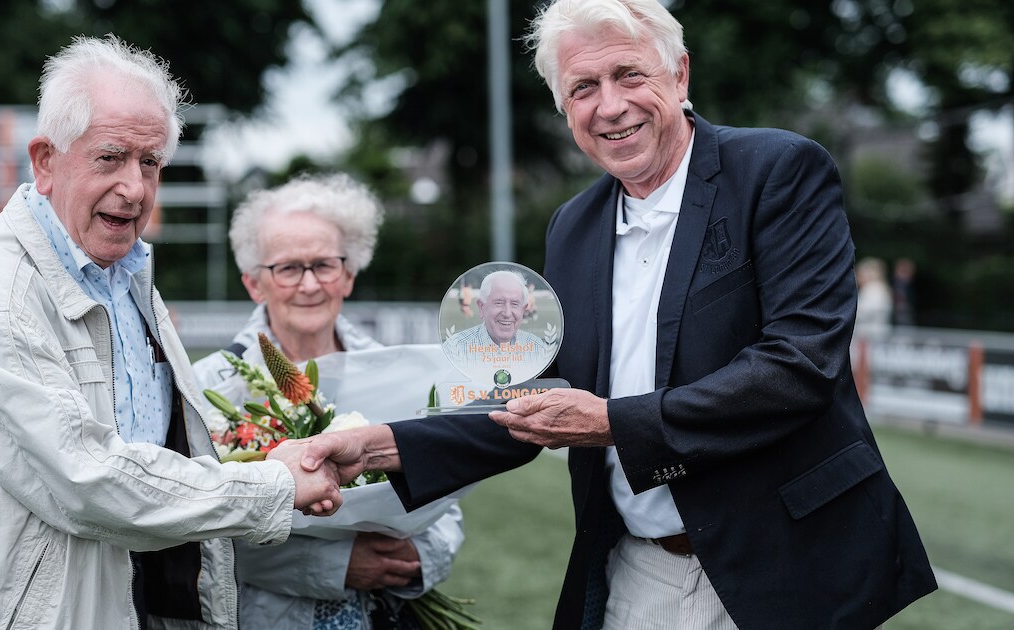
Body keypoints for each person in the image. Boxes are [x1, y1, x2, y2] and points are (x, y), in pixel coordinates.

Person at [300, 1, 937, 629]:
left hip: (785, 563)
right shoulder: (572, 227)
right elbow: (541, 397)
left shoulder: (777, 170)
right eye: (583, 88)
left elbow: (799, 366)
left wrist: (610, 422)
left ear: (679, 75)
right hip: (638, 569)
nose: (610, 105)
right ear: (564, 109)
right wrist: (382, 444)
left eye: (629, 74)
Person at [0, 35, 341, 630]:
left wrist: (263, 455)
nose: (135, 187)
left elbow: (148, 443)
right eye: (110, 157)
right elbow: (86, 479)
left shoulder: (123, 272)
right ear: (46, 161)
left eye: (150, 163)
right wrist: (271, 486)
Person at [192, 173, 466, 629]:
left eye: (324, 265)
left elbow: (445, 496)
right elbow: (203, 535)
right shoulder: (211, 388)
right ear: (254, 283)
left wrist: (417, 558)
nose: (309, 284)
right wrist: (335, 568)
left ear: (350, 275)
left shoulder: (395, 370)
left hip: (392, 612)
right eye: (287, 268)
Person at [443, 269, 551, 385]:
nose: (507, 313)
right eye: (498, 303)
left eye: (515, 304)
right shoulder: (454, 348)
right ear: (481, 307)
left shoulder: (539, 348)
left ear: (524, 310)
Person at [854, 257, 892, 339]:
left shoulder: (871, 289)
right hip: (879, 333)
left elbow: (862, 313)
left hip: (869, 336)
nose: (857, 277)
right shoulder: (882, 288)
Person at [892, 257, 917, 326]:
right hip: (893, 316)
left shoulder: (914, 286)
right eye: (902, 271)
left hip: (907, 316)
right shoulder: (891, 283)